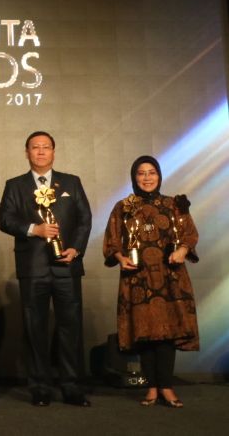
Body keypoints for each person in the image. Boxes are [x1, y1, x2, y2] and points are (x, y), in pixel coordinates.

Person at [0, 131, 92, 407]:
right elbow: (5, 219)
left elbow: (85, 219)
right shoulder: (15, 185)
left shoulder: (71, 183)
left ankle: (71, 385)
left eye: (46, 147)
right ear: (26, 152)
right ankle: (39, 386)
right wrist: (33, 229)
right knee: (34, 328)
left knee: (70, 328)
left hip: (66, 266)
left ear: (54, 151)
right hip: (33, 268)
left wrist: (76, 248)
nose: (40, 152)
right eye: (35, 148)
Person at [103, 155, 199, 408]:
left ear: (159, 175)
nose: (147, 178)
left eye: (152, 172)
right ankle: (152, 388)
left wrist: (183, 250)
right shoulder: (123, 207)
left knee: (168, 334)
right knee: (145, 332)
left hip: (170, 277)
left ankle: (166, 387)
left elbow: (189, 233)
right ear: (134, 177)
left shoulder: (174, 204)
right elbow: (112, 240)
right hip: (137, 278)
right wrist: (120, 258)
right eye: (141, 173)